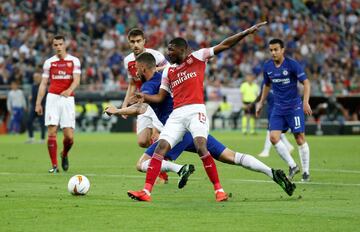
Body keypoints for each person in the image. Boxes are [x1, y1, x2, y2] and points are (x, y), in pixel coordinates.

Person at [127, 21, 267, 202]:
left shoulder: (199, 57)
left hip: (195, 110)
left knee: (201, 146)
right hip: (177, 114)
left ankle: (219, 190)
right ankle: (146, 192)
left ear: (182, 49)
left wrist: (245, 33)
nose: (168, 53)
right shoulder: (169, 70)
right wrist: (143, 97)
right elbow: (161, 97)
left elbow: (224, 44)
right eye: (167, 50)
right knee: (160, 148)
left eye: (171, 50)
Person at [106, 52, 193, 185]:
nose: (134, 71)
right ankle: (215, 187)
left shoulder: (150, 84)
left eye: (136, 68)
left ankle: (149, 189)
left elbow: (139, 108)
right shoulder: (160, 78)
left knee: (144, 163)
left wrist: (116, 111)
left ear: (143, 68)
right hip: (187, 124)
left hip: (175, 131)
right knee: (221, 154)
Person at [256, 38, 312, 182]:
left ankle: (306, 172)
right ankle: (293, 166)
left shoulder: (292, 64)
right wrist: (261, 102)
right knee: (273, 137)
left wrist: (305, 102)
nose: (273, 52)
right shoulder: (267, 67)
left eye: (276, 49)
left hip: (294, 107)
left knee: (299, 138)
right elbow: (267, 85)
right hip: (278, 108)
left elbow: (306, 82)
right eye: (271, 50)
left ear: (282, 50)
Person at [35, 35, 81, 173]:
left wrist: (69, 90)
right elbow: (43, 84)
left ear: (65, 44)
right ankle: (54, 166)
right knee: (52, 131)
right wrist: (38, 103)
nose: (58, 47)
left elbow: (77, 79)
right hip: (53, 98)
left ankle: (64, 154)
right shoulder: (49, 62)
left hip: (67, 99)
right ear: (53, 46)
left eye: (61, 44)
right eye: (56, 45)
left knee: (69, 137)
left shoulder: (74, 61)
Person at [122, 28, 169, 148]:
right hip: (143, 101)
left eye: (138, 41)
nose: (136, 45)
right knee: (142, 142)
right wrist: (124, 104)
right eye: (132, 42)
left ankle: (159, 162)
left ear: (144, 41)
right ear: (128, 42)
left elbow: (170, 69)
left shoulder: (156, 55)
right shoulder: (128, 60)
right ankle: (161, 160)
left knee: (158, 136)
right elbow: (132, 83)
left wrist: (150, 69)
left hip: (157, 100)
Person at [256, 81, 294, 157]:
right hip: (271, 108)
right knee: (276, 130)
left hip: (279, 109)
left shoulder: (280, 80)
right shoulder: (264, 82)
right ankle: (288, 146)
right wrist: (256, 103)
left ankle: (266, 151)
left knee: (270, 129)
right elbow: (261, 95)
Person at [26, 72, 46, 143]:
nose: (35, 79)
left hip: (41, 107)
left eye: (37, 77)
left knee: (42, 123)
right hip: (34, 107)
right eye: (34, 78)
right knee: (29, 121)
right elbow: (32, 95)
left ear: (40, 78)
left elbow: (44, 97)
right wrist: (31, 97)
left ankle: (42, 139)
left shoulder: (43, 85)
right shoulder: (33, 86)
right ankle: (31, 138)